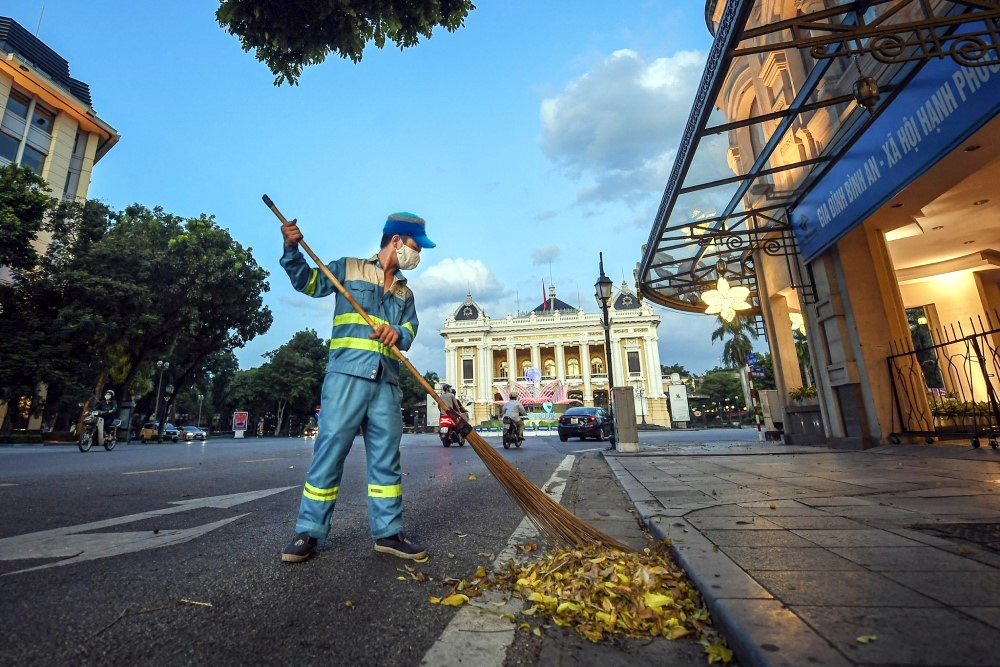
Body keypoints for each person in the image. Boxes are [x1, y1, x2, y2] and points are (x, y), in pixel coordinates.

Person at [279, 211, 435, 563]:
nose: (418, 255)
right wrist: (291, 249)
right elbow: (307, 282)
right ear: (396, 241)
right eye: (415, 246)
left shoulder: (404, 293)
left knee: (386, 461)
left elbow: (410, 328)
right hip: (346, 377)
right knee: (329, 453)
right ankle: (308, 533)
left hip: (386, 383)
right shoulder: (348, 268)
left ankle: (389, 533)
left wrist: (400, 333)